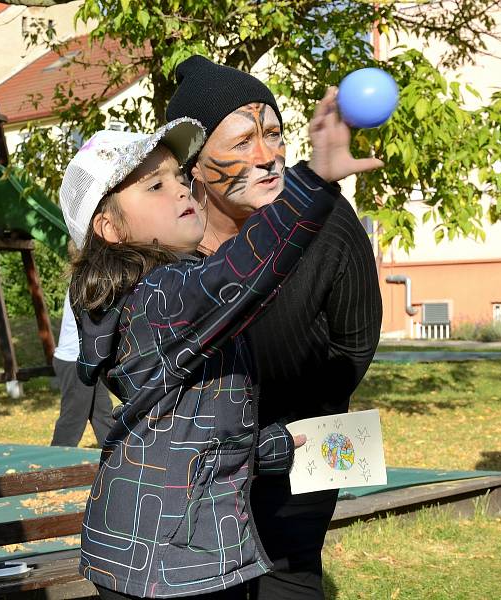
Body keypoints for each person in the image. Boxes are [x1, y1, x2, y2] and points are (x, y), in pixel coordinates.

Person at [60, 94, 380, 599]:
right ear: (111, 229)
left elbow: (194, 431)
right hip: (162, 563)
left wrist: (279, 446)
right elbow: (236, 275)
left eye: (180, 177)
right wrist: (314, 181)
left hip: (181, 549)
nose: (181, 189)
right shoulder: (156, 302)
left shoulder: (174, 301)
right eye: (155, 185)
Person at [166, 56, 383, 600]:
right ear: (194, 163)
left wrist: (292, 421)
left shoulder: (327, 220)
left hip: (310, 445)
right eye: (241, 142)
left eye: (274, 134)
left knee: (291, 578)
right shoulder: (167, 246)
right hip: (202, 466)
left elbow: (355, 344)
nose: (267, 157)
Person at [50, 287, 114, 447]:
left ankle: (119, 461)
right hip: (75, 361)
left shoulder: (95, 273)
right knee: (72, 422)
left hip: (90, 359)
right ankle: (52, 468)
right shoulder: (87, 278)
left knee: (104, 417)